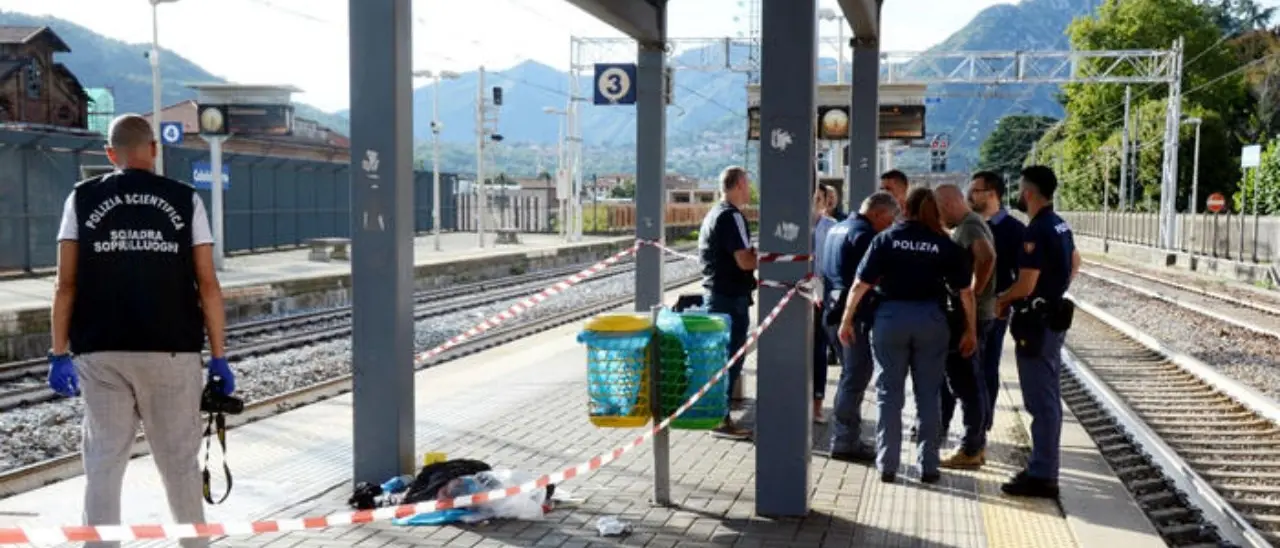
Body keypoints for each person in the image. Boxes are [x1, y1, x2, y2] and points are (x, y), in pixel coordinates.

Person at [48, 114, 233, 548]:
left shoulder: (81, 198)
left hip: (101, 351)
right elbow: (208, 284)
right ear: (153, 149)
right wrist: (219, 356)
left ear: (110, 154)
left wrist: (58, 353)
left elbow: (65, 284)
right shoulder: (185, 199)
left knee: (103, 463)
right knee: (179, 463)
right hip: (171, 350)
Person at [839, 187, 977, 484]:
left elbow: (860, 285)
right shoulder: (944, 243)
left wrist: (846, 320)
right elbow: (966, 293)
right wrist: (971, 330)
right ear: (934, 211)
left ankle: (888, 465)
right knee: (928, 394)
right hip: (931, 321)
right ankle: (928, 466)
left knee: (889, 395)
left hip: (890, 319)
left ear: (905, 209)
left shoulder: (886, 239)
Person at [994, 165, 1080, 499]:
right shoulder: (1059, 224)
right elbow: (1075, 262)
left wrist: (1003, 299)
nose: (1018, 195)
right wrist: (1054, 290)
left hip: (1036, 324)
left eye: (1020, 189)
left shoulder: (1036, 230)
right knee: (1049, 399)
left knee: (1040, 402)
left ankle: (1043, 475)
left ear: (1028, 193)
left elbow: (1026, 284)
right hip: (1052, 318)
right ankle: (1043, 469)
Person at [821, 191, 899, 463]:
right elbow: (867, 279)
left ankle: (846, 436)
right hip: (852, 317)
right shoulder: (865, 236)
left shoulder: (838, 228)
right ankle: (844, 440)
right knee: (854, 379)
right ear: (878, 213)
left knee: (849, 376)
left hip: (832, 309)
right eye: (889, 219)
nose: (890, 225)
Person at [934, 183, 997, 470]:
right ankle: (976, 445)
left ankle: (971, 448)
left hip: (973, 317)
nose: (939, 218)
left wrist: (973, 291)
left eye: (939, 211)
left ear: (948, 204)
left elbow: (987, 256)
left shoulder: (969, 226)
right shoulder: (971, 223)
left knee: (966, 384)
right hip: (977, 315)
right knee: (973, 381)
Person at [698, 165, 757, 441]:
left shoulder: (713, 213)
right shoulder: (732, 216)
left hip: (716, 295)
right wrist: (767, 258)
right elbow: (744, 260)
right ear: (739, 185)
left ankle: (717, 415)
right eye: (747, 184)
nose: (749, 190)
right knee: (730, 359)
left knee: (719, 359)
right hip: (730, 297)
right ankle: (720, 419)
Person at [968, 171, 1026, 432]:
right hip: (967, 307)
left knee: (988, 366)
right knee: (965, 365)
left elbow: (1023, 274)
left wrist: (1005, 300)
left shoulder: (1014, 230)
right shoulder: (969, 225)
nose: (970, 195)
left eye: (975, 191)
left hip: (994, 309)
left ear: (992, 194)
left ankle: (983, 423)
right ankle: (970, 420)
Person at [811, 182, 839, 424]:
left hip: (821, 290)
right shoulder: (794, 225)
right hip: (795, 290)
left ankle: (817, 403)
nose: (815, 204)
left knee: (818, 348)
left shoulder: (832, 227)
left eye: (818, 199)